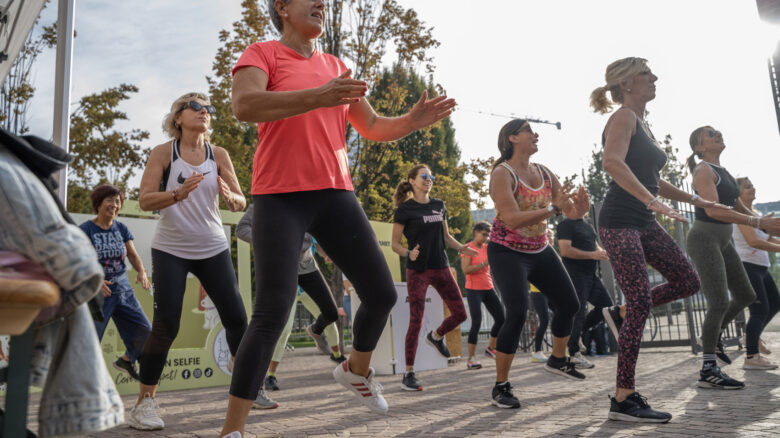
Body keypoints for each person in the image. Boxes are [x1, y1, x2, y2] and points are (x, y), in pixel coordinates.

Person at [222, 0, 456, 433]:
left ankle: (355, 370)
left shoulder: (336, 66)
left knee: (382, 294)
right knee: (272, 311)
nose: (322, 4)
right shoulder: (262, 53)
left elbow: (372, 126)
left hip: (335, 193)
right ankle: (232, 429)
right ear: (282, 7)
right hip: (279, 195)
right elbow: (245, 105)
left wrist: (410, 121)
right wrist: (319, 96)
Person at [590, 57, 725, 422]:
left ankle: (619, 313)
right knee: (639, 301)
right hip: (620, 222)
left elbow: (651, 178)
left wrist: (693, 199)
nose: (655, 77)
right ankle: (624, 398)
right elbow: (611, 162)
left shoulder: (643, 123)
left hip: (644, 220)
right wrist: (651, 201)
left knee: (688, 281)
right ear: (627, 83)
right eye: (646, 73)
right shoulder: (623, 117)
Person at [129, 92, 249, 430]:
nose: (204, 111)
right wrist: (176, 194)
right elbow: (144, 200)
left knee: (237, 319)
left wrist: (232, 198)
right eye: (195, 106)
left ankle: (246, 386)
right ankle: (144, 404)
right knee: (166, 326)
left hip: (212, 246)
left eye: (208, 108)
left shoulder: (218, 154)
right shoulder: (163, 153)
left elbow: (241, 201)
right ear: (177, 117)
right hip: (171, 248)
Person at [487, 118, 591, 410]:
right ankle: (501, 386)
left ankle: (557, 359)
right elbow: (511, 219)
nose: (536, 135)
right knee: (517, 313)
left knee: (569, 304)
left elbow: (567, 209)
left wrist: (579, 209)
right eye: (528, 131)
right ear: (512, 138)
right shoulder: (502, 173)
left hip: (539, 248)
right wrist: (554, 208)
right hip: (507, 251)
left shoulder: (544, 172)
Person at [686, 127, 780, 388]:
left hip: (723, 241)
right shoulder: (703, 170)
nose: (717, 134)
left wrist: (766, 226)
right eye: (710, 134)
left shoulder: (724, 172)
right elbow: (714, 211)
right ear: (699, 147)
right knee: (718, 301)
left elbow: (740, 208)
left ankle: (711, 336)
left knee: (746, 295)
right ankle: (708, 369)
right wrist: (756, 222)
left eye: (717, 131)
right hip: (704, 238)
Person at [236, 203, 346, 409]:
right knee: (277, 327)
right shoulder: (263, 203)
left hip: (307, 266)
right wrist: (266, 241)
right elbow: (241, 229)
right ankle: (262, 380)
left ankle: (315, 330)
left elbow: (317, 234)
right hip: (281, 267)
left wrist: (328, 251)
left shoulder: (307, 203)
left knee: (331, 312)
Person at [391, 164, 473, 391]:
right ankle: (409, 373)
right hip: (417, 270)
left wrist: (462, 247)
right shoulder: (405, 209)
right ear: (412, 181)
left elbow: (446, 236)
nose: (429, 179)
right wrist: (407, 253)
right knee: (416, 321)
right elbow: (395, 244)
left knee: (461, 314)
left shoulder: (439, 205)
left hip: (441, 267)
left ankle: (436, 337)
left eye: (431, 176)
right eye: (424, 176)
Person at [79, 184, 152, 381]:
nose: (114, 205)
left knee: (145, 331)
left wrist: (142, 271)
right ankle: (83, 385)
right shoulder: (86, 230)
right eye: (109, 200)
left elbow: (132, 255)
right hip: (98, 295)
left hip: (124, 291)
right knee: (90, 342)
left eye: (118, 201)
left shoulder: (121, 228)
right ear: (98, 203)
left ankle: (126, 360)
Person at [556, 204, 624, 370]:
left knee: (606, 307)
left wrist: (602, 252)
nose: (582, 204)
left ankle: (577, 333)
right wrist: (592, 255)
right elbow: (565, 250)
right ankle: (574, 354)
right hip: (575, 275)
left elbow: (594, 245)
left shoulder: (587, 224)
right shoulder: (565, 225)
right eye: (576, 202)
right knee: (578, 312)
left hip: (591, 274)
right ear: (567, 208)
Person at [734, 177, 780, 370]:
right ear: (737, 194)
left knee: (775, 303)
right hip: (748, 265)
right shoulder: (740, 216)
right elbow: (753, 241)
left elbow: (768, 239)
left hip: (761, 266)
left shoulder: (756, 215)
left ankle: (750, 337)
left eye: (752, 185)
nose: (752, 188)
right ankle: (752, 357)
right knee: (759, 310)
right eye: (747, 187)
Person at [460, 221, 504, 370]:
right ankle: (471, 359)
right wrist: (484, 263)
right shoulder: (468, 248)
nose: (486, 238)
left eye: (488, 235)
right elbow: (466, 269)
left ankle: (491, 348)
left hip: (488, 287)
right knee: (477, 322)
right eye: (483, 234)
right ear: (475, 233)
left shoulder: (487, 248)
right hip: (474, 289)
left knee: (501, 318)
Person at [529, 284, 550, 363]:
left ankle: (561, 349)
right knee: (544, 321)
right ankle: (537, 352)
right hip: (538, 292)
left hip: (548, 292)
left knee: (559, 315)